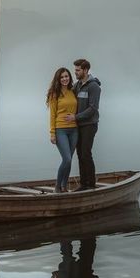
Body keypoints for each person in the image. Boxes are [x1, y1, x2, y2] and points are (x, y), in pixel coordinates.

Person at [65, 59, 101, 191]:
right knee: (80, 154)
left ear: (85, 70)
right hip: (79, 125)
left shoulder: (94, 86)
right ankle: (83, 184)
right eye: (75, 70)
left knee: (86, 153)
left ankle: (90, 185)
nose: (75, 72)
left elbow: (93, 109)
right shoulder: (77, 85)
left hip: (89, 125)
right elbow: (68, 94)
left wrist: (75, 117)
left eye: (78, 70)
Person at [47, 67, 78, 193]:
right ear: (58, 79)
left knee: (69, 159)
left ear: (69, 77)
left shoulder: (73, 91)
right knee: (67, 159)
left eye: (66, 76)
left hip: (74, 130)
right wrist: (52, 133)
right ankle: (57, 187)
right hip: (61, 130)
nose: (65, 79)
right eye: (62, 77)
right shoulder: (55, 94)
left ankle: (64, 186)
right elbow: (52, 115)